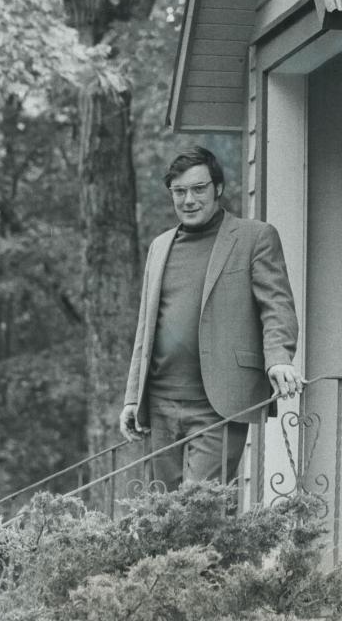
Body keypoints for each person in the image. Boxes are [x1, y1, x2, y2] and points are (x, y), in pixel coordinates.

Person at [120, 147, 302, 489]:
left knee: (199, 510)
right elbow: (146, 328)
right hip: (160, 403)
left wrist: (279, 358)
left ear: (217, 188)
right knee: (162, 515)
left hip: (218, 403)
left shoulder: (254, 237)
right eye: (179, 191)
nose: (189, 200)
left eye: (198, 189)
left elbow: (276, 306)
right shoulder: (160, 246)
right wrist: (133, 397)